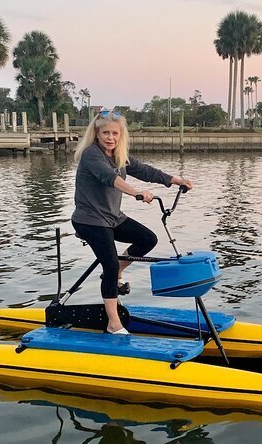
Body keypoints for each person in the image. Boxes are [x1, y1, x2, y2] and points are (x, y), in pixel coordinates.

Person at [71, 109, 193, 334]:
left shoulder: (119, 155)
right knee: (108, 264)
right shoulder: (91, 154)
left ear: (121, 135)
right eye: (105, 133)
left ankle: (118, 271)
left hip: (112, 218)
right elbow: (111, 178)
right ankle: (113, 323)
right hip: (89, 220)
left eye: (115, 133)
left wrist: (175, 180)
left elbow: (143, 170)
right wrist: (135, 193)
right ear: (97, 133)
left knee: (147, 239)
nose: (110, 138)